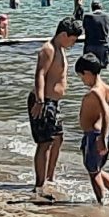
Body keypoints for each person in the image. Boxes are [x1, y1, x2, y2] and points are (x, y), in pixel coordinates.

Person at [28, 19, 78, 200]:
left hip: (53, 102)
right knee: (45, 142)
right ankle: (39, 185)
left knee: (58, 139)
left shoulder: (60, 49)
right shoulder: (48, 49)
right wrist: (40, 101)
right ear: (64, 35)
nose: (73, 43)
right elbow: (39, 74)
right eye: (73, 39)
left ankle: (50, 178)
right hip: (44, 101)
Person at [74, 54, 109, 203]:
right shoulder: (106, 88)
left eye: (81, 77)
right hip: (100, 136)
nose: (82, 81)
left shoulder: (95, 92)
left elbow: (107, 113)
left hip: (95, 137)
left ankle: (101, 200)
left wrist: (102, 139)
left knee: (93, 172)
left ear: (87, 73)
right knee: (97, 169)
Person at [81, 0, 109, 70]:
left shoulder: (87, 17)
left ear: (92, 7)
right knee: (104, 68)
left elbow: (84, 28)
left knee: (88, 69)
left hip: (90, 45)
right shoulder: (107, 16)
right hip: (103, 46)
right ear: (101, 7)